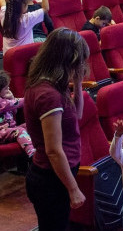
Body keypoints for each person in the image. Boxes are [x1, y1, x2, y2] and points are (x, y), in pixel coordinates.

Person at [24, 29, 90, 230]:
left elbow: (77, 115)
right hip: (50, 180)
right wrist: (73, 189)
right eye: (78, 63)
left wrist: (77, 83)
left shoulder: (55, 85)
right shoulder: (47, 94)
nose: (80, 67)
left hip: (57, 175)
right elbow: (53, 150)